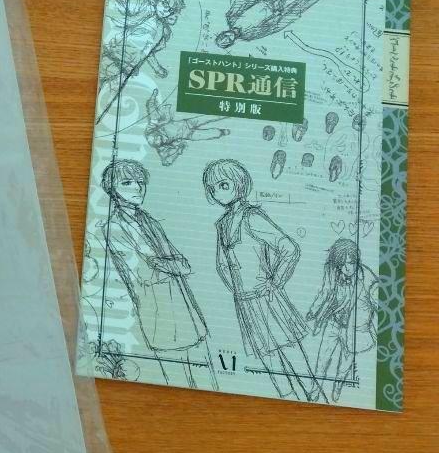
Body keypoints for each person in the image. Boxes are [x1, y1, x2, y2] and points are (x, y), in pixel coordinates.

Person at [203, 158, 325, 403]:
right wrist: (237, 290)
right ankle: (286, 398)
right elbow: (221, 264)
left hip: (266, 296)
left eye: (224, 185)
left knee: (289, 346)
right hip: (245, 301)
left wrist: (275, 281)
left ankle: (314, 395)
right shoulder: (222, 224)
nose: (218, 192)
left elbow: (289, 248)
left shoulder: (252, 216)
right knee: (265, 353)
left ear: (240, 184)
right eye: (212, 188)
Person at [101, 159, 217, 390]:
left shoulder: (150, 220)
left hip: (185, 309)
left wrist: (162, 264)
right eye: (127, 182)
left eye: (140, 182)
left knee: (206, 377)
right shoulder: (113, 227)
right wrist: (166, 265)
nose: (137, 188)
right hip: (157, 312)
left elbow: (183, 264)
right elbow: (145, 273)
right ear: (112, 189)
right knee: (176, 382)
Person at [306, 239, 380, 402]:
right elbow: (324, 291)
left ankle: (338, 387)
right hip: (333, 323)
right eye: (343, 264)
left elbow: (379, 300)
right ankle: (315, 389)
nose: (347, 268)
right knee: (322, 360)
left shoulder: (367, 278)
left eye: (351, 263)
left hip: (354, 330)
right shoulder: (331, 270)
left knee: (344, 366)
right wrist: (313, 310)